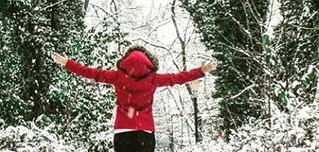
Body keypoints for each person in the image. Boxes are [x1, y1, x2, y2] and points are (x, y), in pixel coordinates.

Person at [52, 45, 216, 152]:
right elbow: (178, 78)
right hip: (145, 131)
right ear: (149, 62)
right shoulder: (153, 78)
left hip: (123, 130)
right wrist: (201, 70)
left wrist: (68, 63)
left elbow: (91, 73)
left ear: (125, 60)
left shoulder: (117, 76)